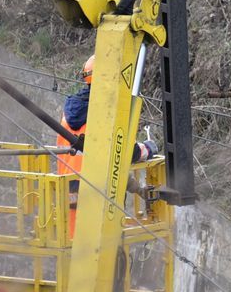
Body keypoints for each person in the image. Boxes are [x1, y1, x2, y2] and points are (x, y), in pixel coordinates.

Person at [57, 54, 159, 236]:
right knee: (99, 252)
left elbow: (102, 157)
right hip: (96, 192)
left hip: (68, 191)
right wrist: (148, 148)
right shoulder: (102, 114)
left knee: (72, 249)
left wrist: (135, 187)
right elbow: (125, 153)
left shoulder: (69, 112)